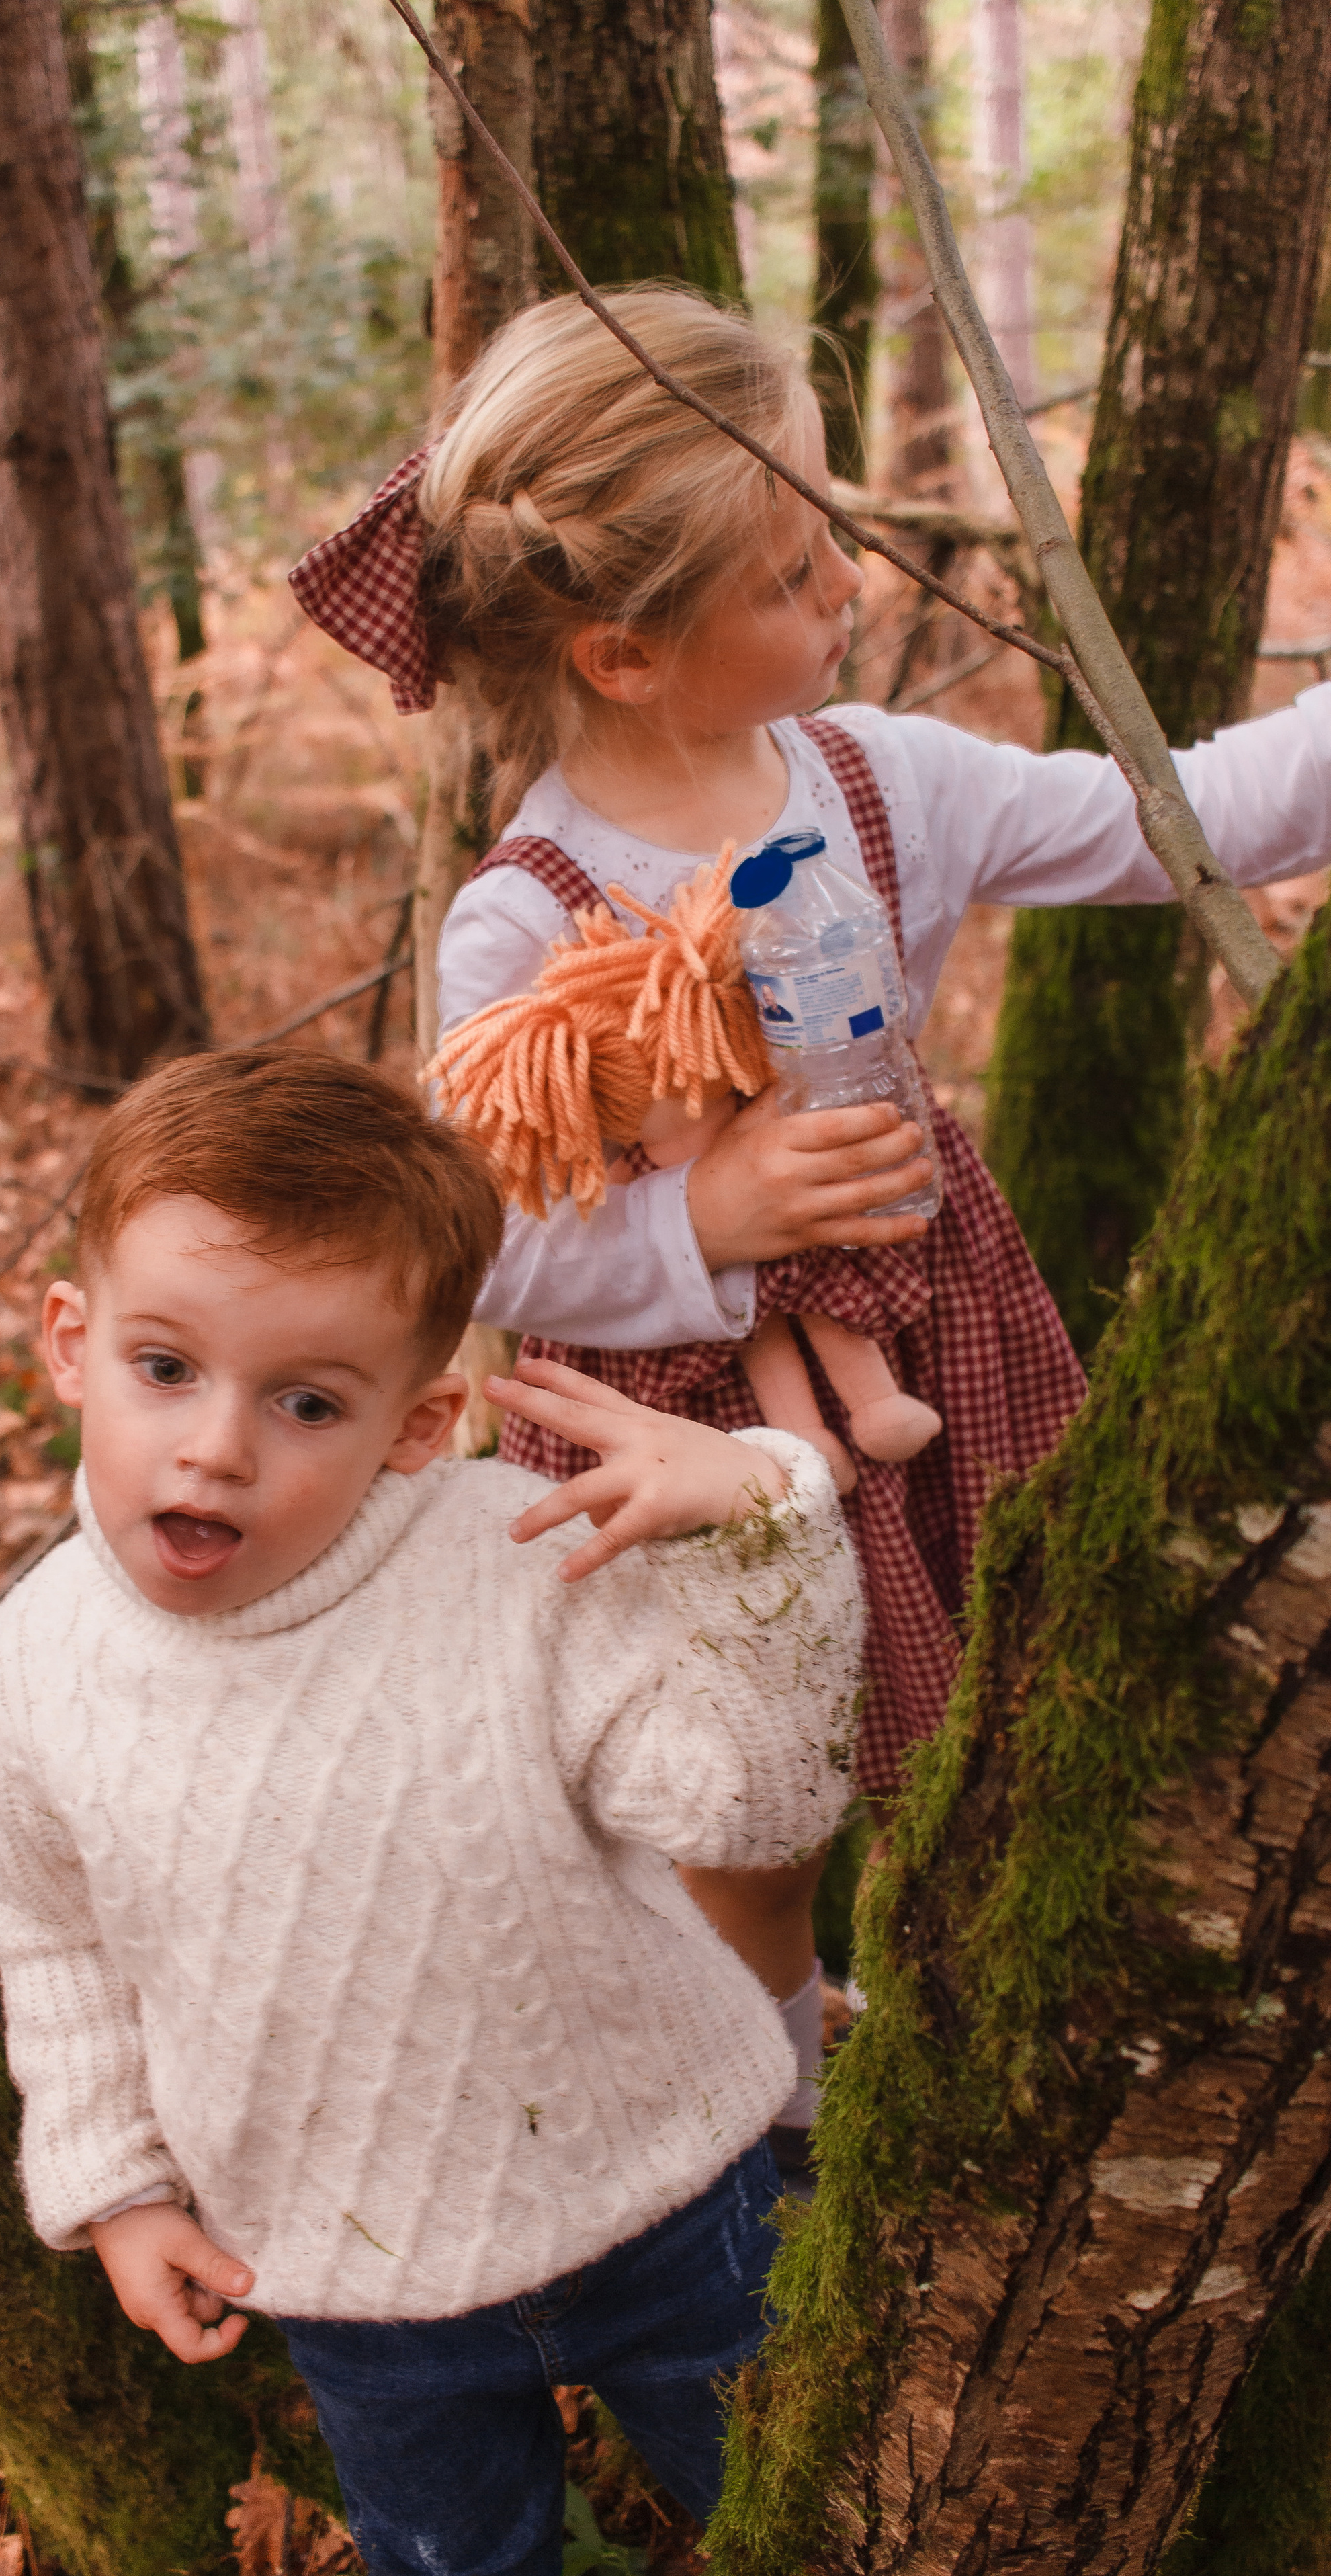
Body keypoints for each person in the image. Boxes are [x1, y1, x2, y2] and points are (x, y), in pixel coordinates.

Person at [288, 286, 1331, 2167]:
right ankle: (765, 2099)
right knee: (748, 1810)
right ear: (623, 652)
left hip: (939, 1339)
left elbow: (1181, 815)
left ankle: (975, 2051)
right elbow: (481, 1252)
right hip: (676, 1431)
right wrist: (710, 1209)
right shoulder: (524, 917)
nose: (846, 580)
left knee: (1008, 1706)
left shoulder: (882, 780)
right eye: (791, 567)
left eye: (826, 529)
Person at [0, 1047, 863, 2576]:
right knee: (451, 2560)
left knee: (812, 2515)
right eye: (163, 1367)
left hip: (656, 2187)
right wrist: (111, 2190)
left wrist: (758, 1529)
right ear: (70, 1339)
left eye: (305, 1400)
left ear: (415, 1423)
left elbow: (747, 1801)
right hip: (345, 2267)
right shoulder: (29, 1671)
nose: (217, 1446)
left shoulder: (511, 1569)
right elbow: (53, 1939)